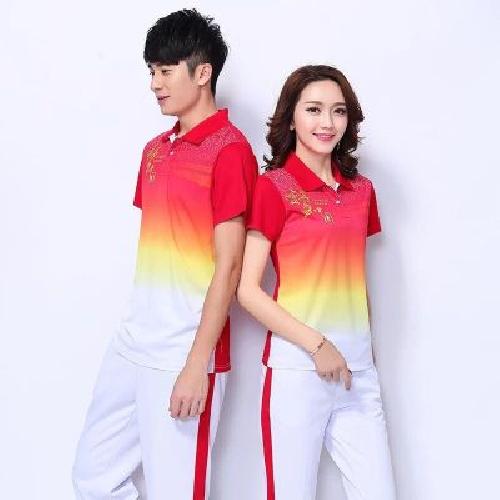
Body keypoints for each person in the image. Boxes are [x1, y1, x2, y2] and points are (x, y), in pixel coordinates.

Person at [72, 9, 257, 499]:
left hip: (182, 351)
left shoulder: (230, 151)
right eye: (151, 70)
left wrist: (196, 364)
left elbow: (230, 266)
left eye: (166, 70)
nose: (155, 83)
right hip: (133, 342)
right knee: (93, 475)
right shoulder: (154, 150)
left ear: (203, 72)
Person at [237, 65, 396, 500]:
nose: (327, 122)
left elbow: (356, 277)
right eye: (314, 110)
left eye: (338, 111)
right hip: (297, 373)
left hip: (357, 374)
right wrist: (318, 345)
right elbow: (247, 289)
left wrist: (364, 347)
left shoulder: (362, 191)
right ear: (291, 118)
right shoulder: (273, 188)